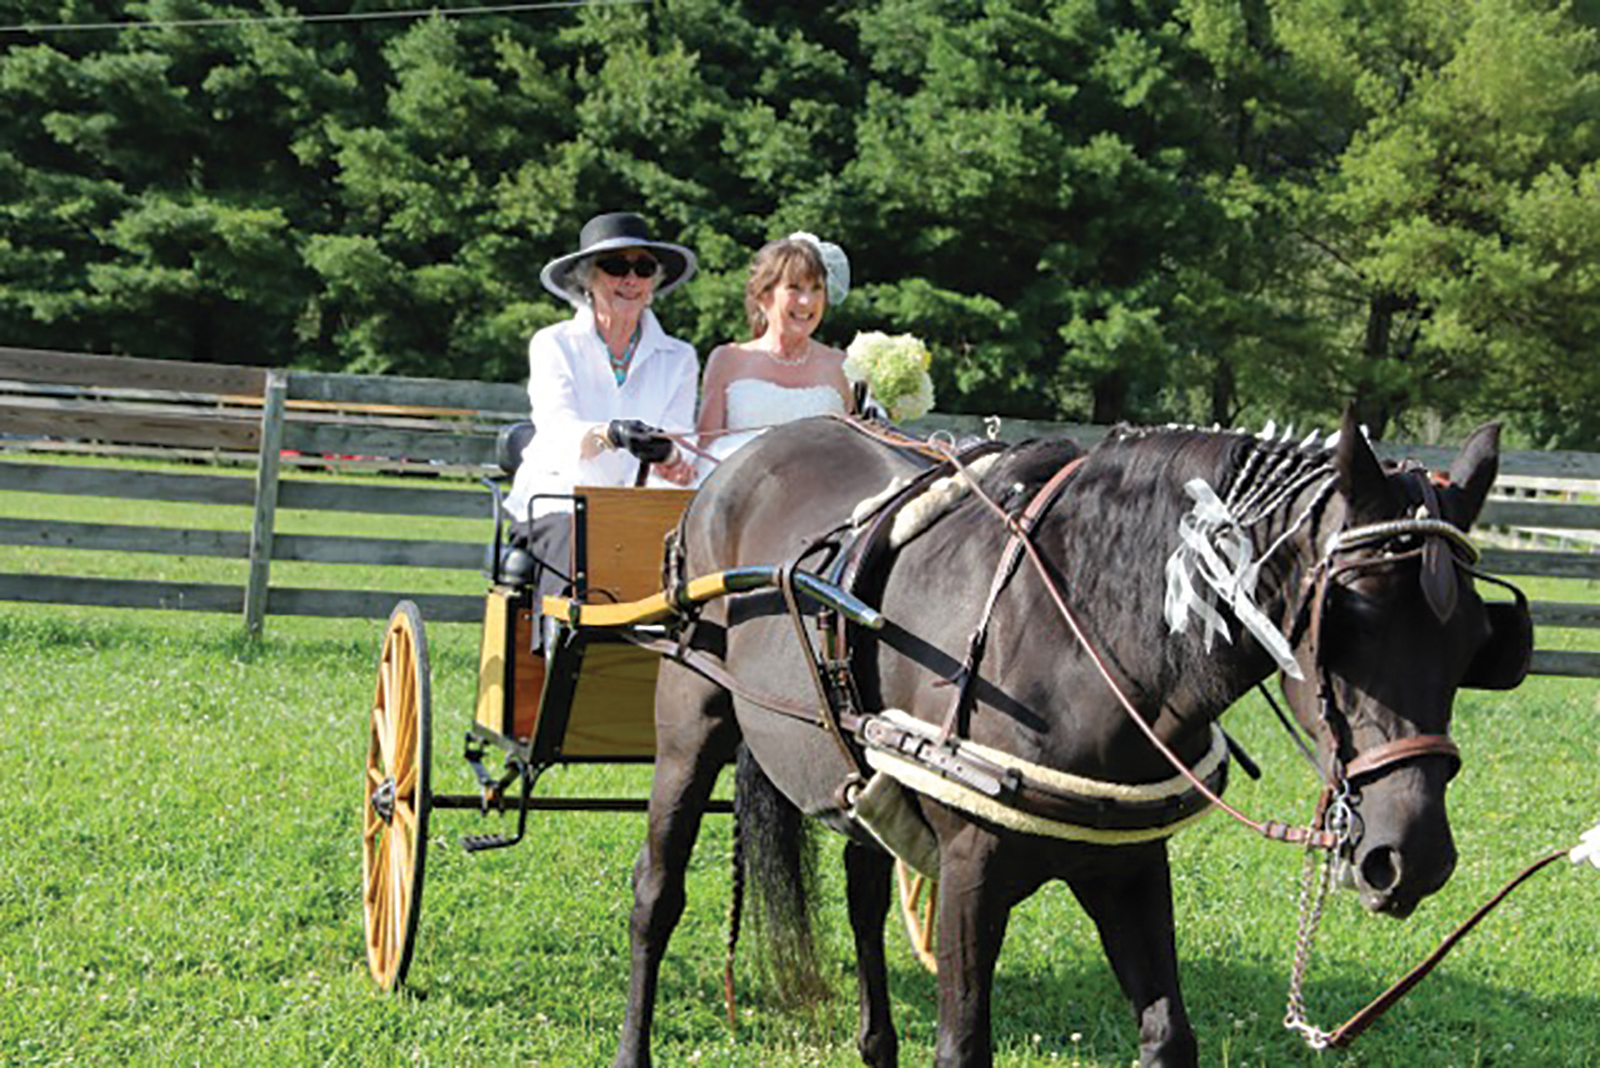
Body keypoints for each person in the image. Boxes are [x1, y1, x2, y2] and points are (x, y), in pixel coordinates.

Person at [503, 211, 699, 598]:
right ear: (587, 279)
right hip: (559, 501)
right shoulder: (553, 343)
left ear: (653, 283)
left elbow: (679, 441)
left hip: (640, 506)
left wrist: (671, 458)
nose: (630, 279)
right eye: (615, 266)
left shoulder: (679, 357)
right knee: (579, 545)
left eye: (643, 268)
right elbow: (557, 426)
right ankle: (560, 654)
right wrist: (610, 433)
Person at [694, 232, 852, 476]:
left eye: (816, 288)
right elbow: (704, 450)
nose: (806, 301)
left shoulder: (842, 365)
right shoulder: (728, 360)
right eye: (794, 288)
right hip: (744, 499)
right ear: (763, 295)